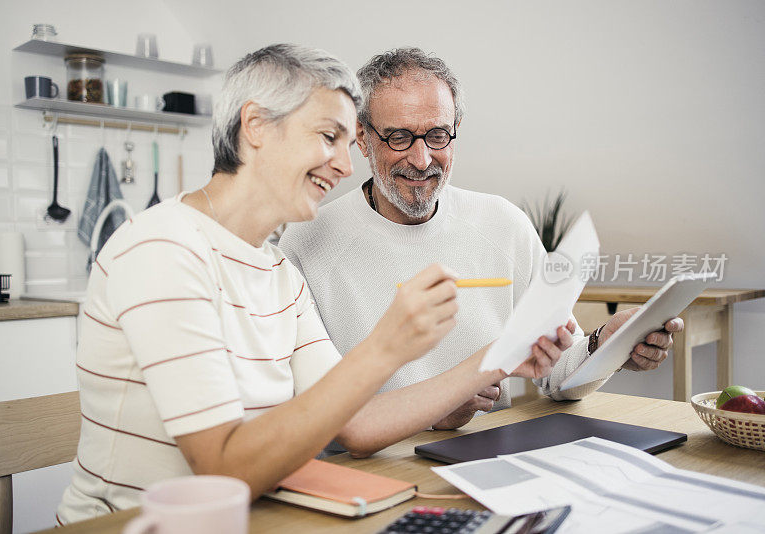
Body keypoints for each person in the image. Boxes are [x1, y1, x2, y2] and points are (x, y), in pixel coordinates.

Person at [56, 44, 571, 524]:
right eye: (329, 138)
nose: (346, 166)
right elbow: (223, 474)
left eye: (348, 143)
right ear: (255, 125)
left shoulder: (277, 271)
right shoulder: (163, 248)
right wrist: (387, 347)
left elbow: (359, 424)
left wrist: (499, 357)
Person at [279, 47, 683, 431]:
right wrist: (434, 407)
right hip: (368, 474)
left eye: (438, 135)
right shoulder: (306, 244)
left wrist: (604, 346)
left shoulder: (503, 225)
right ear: (363, 139)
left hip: (485, 454)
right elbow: (316, 410)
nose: (422, 161)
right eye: (399, 137)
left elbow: (556, 372)